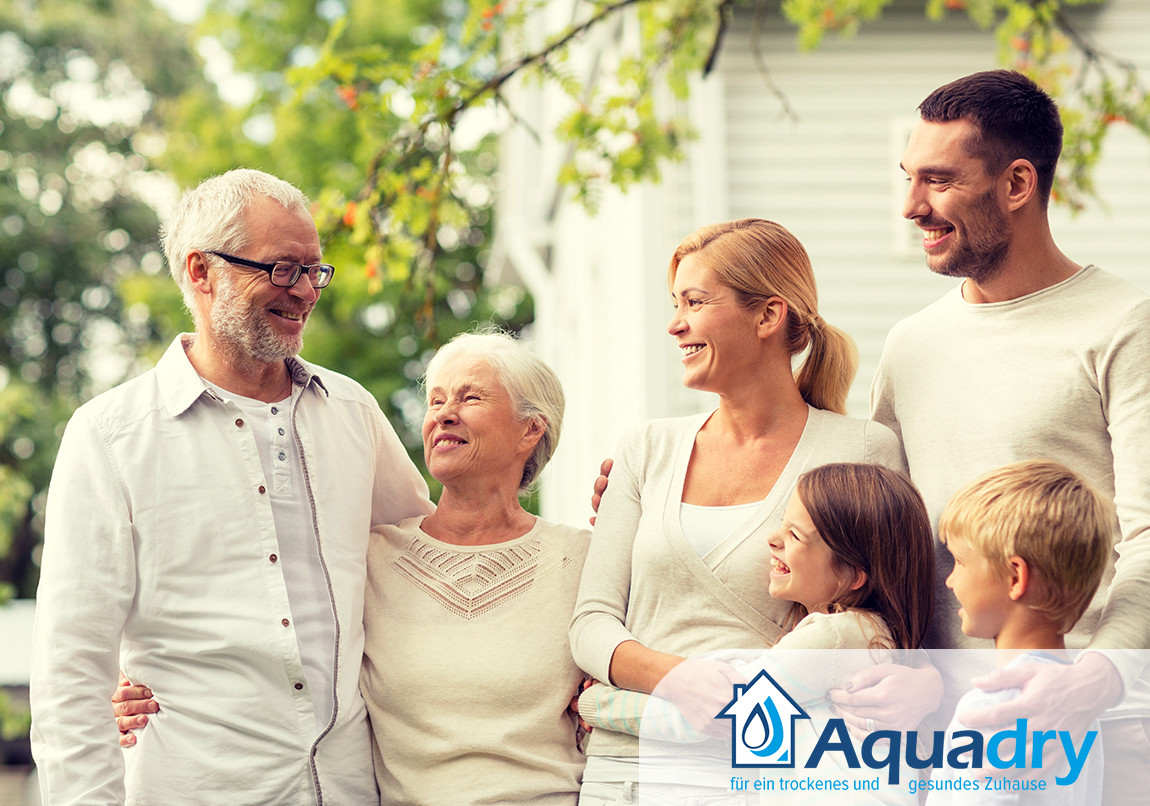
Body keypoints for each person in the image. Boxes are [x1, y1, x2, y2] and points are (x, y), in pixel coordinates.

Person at [29, 168, 432, 805]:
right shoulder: (109, 436)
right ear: (201, 271)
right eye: (281, 268)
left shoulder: (351, 411)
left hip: (355, 790)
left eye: (314, 270)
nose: (304, 291)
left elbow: (429, 562)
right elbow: (71, 670)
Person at [866, 69, 1150, 797]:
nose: (910, 206)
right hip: (956, 737)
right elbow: (880, 530)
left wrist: (1093, 680)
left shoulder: (1125, 325)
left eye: (937, 180)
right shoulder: (911, 345)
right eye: (908, 178)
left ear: (1017, 183)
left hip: (1100, 734)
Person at [569, 218, 911, 804]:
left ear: (767, 316)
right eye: (675, 303)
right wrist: (677, 679)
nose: (675, 324)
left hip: (770, 777)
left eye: (695, 302)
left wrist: (921, 687)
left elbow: (891, 622)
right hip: (627, 773)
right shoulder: (647, 449)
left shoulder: (862, 452)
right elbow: (591, 623)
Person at [359, 331, 589, 804]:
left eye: (470, 397)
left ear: (531, 430)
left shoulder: (581, 559)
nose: (444, 413)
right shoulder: (372, 559)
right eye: (436, 400)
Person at [579, 463, 934, 751]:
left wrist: (598, 704)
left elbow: (721, 712)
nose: (772, 538)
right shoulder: (873, 636)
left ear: (853, 575)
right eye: (782, 524)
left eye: (795, 535)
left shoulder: (831, 637)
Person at [927, 460, 1113, 804]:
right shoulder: (1079, 710)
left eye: (960, 562)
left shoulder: (995, 707)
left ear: (1016, 577)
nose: (950, 580)